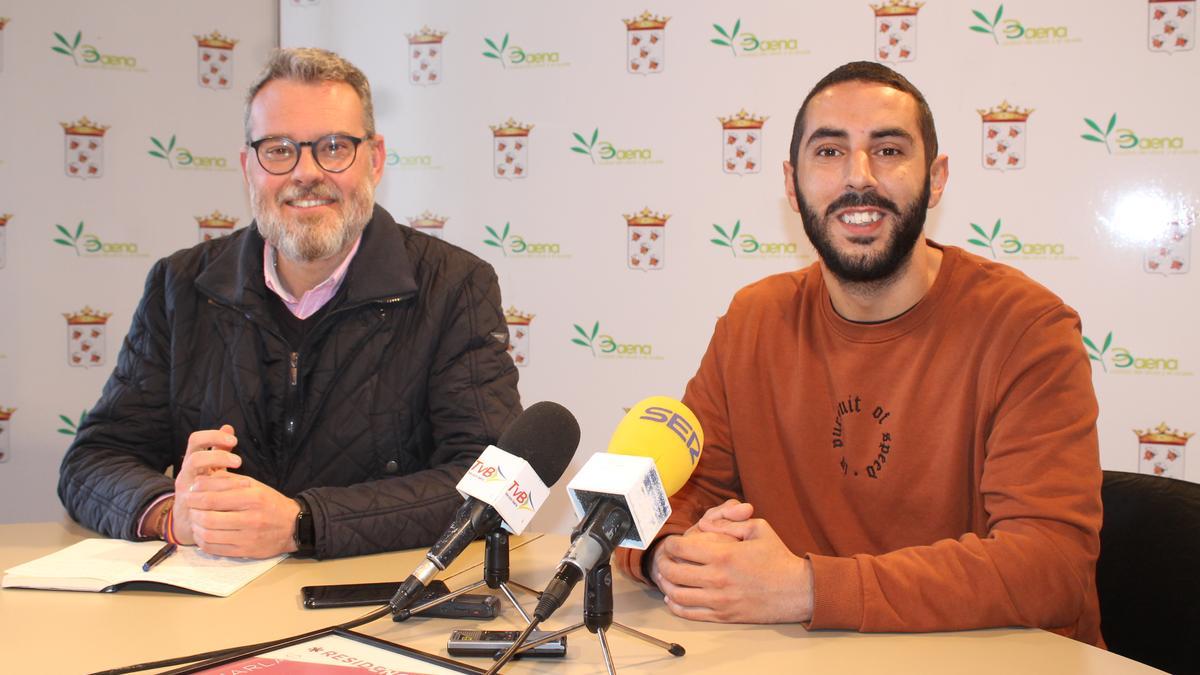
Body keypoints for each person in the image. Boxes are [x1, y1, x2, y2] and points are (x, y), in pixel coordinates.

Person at [617, 61, 1104, 646]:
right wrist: (667, 555)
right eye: (828, 152)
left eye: (890, 150)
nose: (859, 178)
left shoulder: (1027, 328)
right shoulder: (753, 319)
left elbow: (1050, 567)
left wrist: (807, 588)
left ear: (937, 178)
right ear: (792, 185)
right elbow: (662, 500)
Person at [58, 48, 521, 560]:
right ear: (247, 167)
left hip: (370, 607)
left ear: (375, 158)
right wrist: (171, 513)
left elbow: (492, 483)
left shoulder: (454, 285)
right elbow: (93, 460)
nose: (306, 172)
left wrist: (305, 523)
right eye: (278, 149)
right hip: (214, 608)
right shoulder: (180, 286)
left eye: (333, 147)